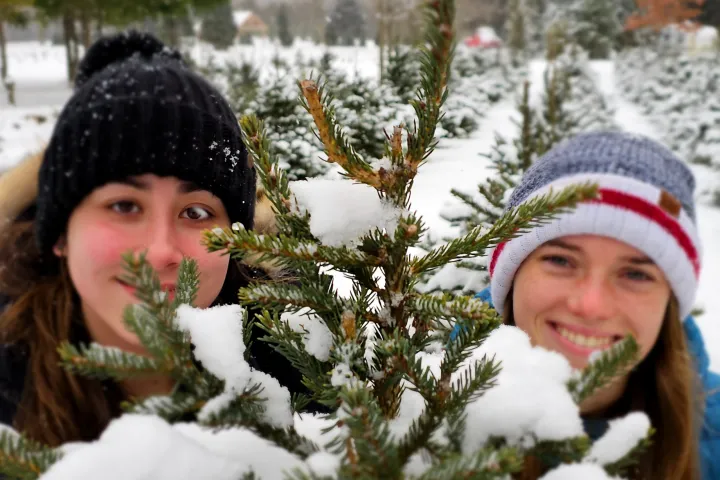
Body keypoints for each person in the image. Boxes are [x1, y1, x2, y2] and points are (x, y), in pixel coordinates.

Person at [0, 31, 314, 448]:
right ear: (60, 234)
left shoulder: (301, 365)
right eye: (125, 206)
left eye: (196, 213)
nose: (161, 251)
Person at [469, 131, 720, 479]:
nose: (591, 306)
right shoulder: (411, 416)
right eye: (560, 260)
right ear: (511, 278)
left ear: (669, 303)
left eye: (635, 274)